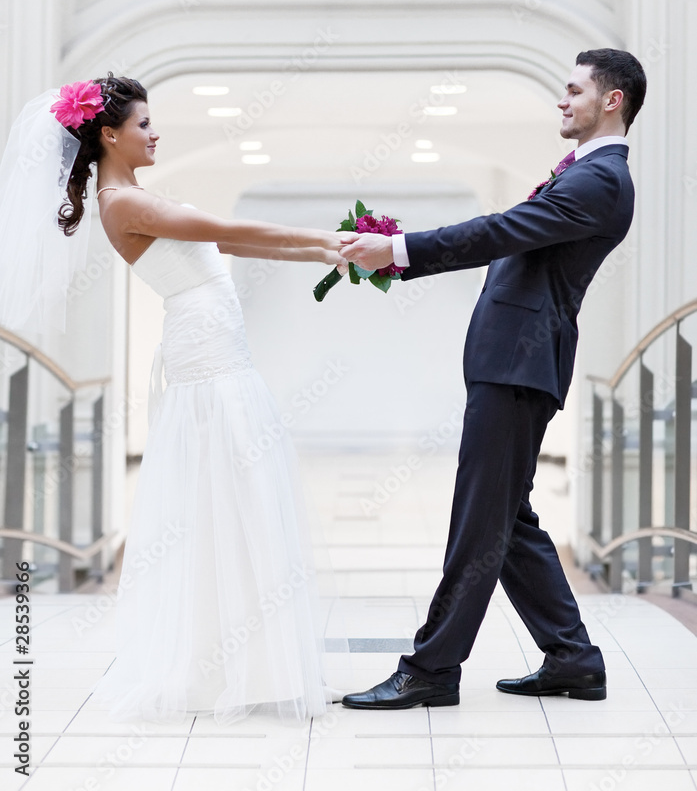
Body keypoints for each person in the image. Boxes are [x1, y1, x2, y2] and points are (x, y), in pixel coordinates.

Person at [0, 73, 348, 724]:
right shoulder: (120, 200)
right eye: (143, 124)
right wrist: (333, 240)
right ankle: (238, 667)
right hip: (208, 360)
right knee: (231, 495)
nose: (155, 132)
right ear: (109, 134)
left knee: (241, 496)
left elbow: (227, 241)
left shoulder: (132, 194)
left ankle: (259, 663)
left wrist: (333, 254)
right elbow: (227, 224)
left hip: (216, 352)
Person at [338, 48, 646, 709]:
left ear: (612, 99)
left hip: (519, 363)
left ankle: (430, 669)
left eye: (572, 90)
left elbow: (501, 231)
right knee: (507, 518)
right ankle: (571, 657)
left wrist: (398, 251)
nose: (561, 102)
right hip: (514, 360)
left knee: (479, 522)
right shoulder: (584, 174)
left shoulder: (600, 181)